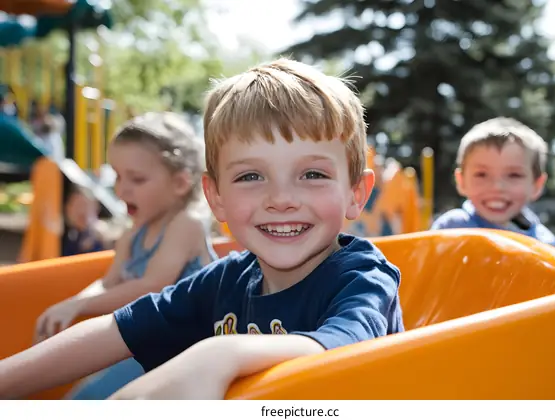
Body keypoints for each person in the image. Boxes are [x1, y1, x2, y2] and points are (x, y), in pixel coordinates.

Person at [0, 58, 404, 400]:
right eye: (250, 177)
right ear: (216, 197)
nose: (281, 199)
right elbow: (117, 330)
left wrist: (220, 354)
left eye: (312, 173)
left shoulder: (361, 277)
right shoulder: (227, 280)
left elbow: (345, 344)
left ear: (356, 192)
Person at [31, 111, 217, 399]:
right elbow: (110, 282)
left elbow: (152, 286)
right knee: (81, 395)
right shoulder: (134, 232)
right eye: (117, 176)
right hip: (152, 341)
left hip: (189, 348)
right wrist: (73, 303)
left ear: (180, 183)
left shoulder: (186, 225)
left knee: (91, 398)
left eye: (137, 179)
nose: (121, 189)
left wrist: (79, 307)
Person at [431, 117, 555, 248]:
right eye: (481, 174)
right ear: (461, 181)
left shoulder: (545, 244)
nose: (497, 187)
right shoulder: (452, 229)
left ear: (536, 186)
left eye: (513, 175)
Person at [62, 184, 106, 257]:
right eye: (77, 206)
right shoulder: (70, 237)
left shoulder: (102, 236)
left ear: (96, 208)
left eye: (84, 205)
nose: (81, 211)